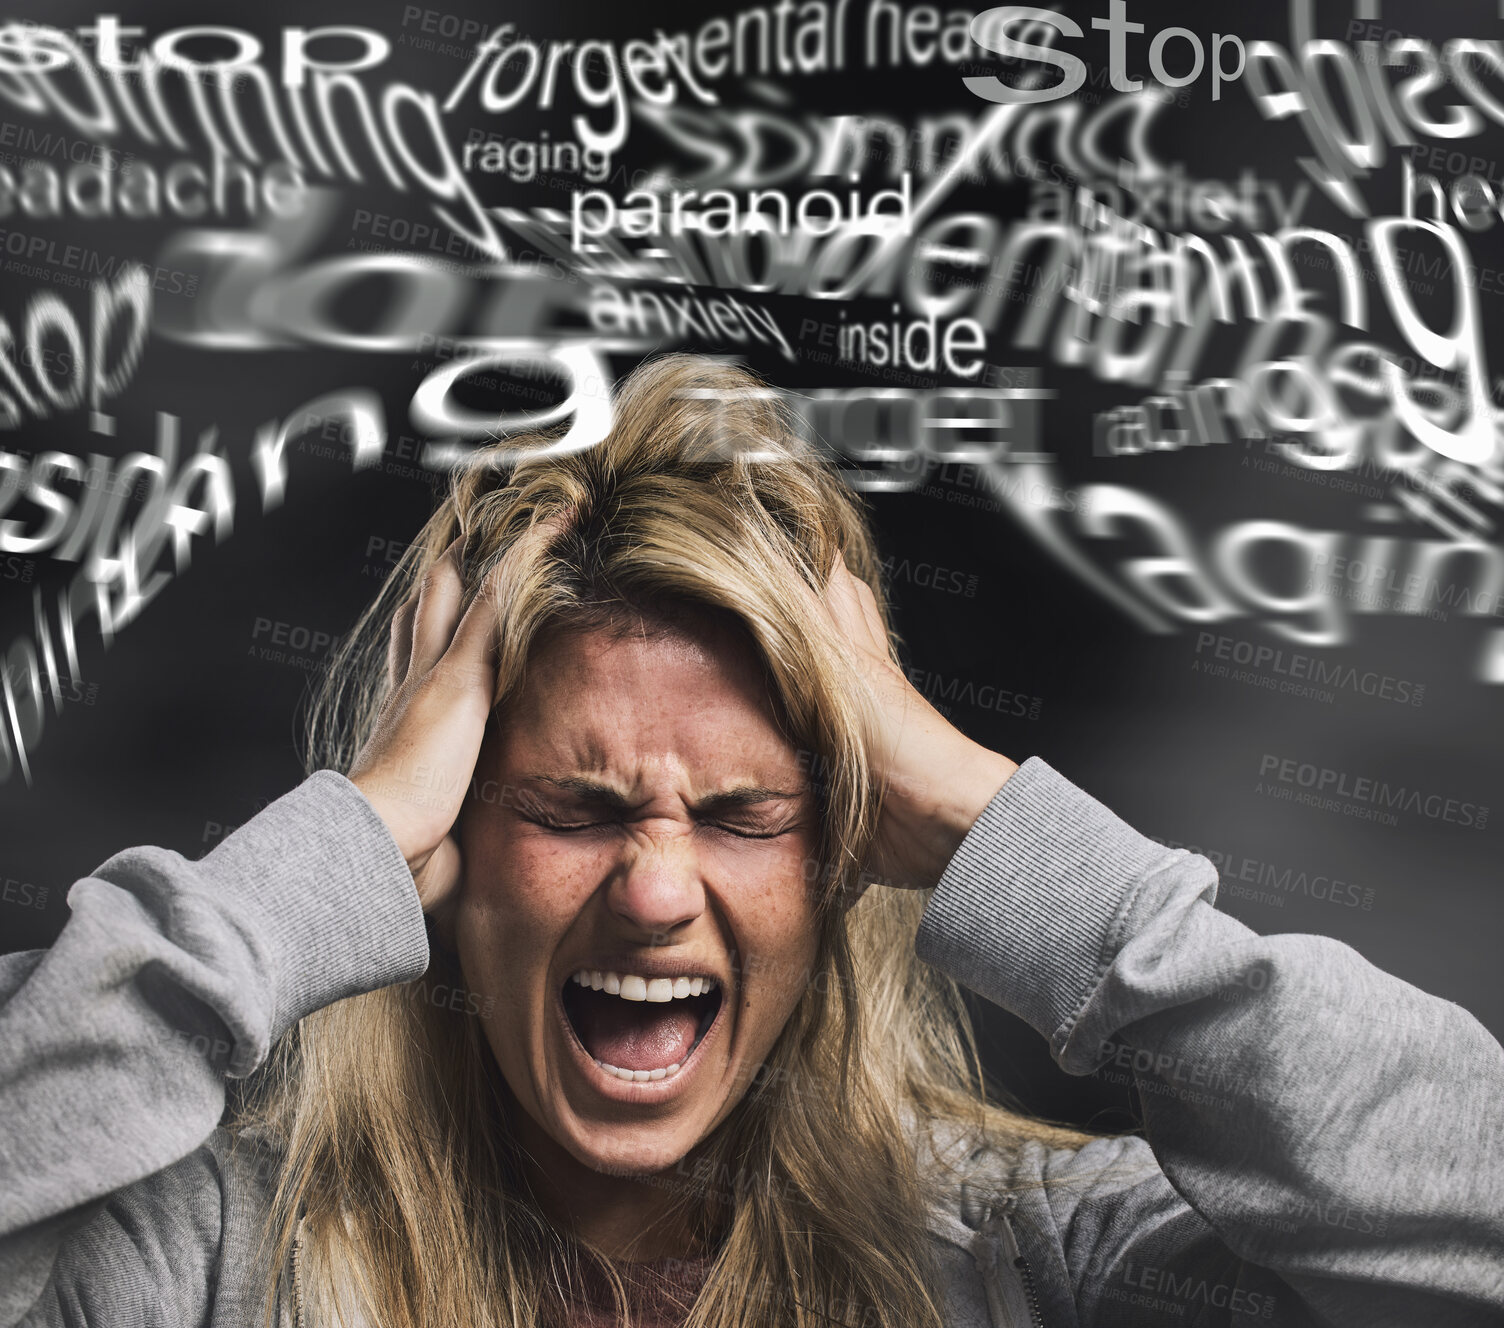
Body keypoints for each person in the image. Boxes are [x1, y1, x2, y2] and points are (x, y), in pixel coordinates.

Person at [1, 355, 1500, 1328]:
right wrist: (331, 853)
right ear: (445, 853)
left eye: (745, 816)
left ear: (850, 850)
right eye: (576, 810)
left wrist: (1008, 835)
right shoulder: (206, 1258)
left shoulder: (1028, 1263)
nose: (658, 892)